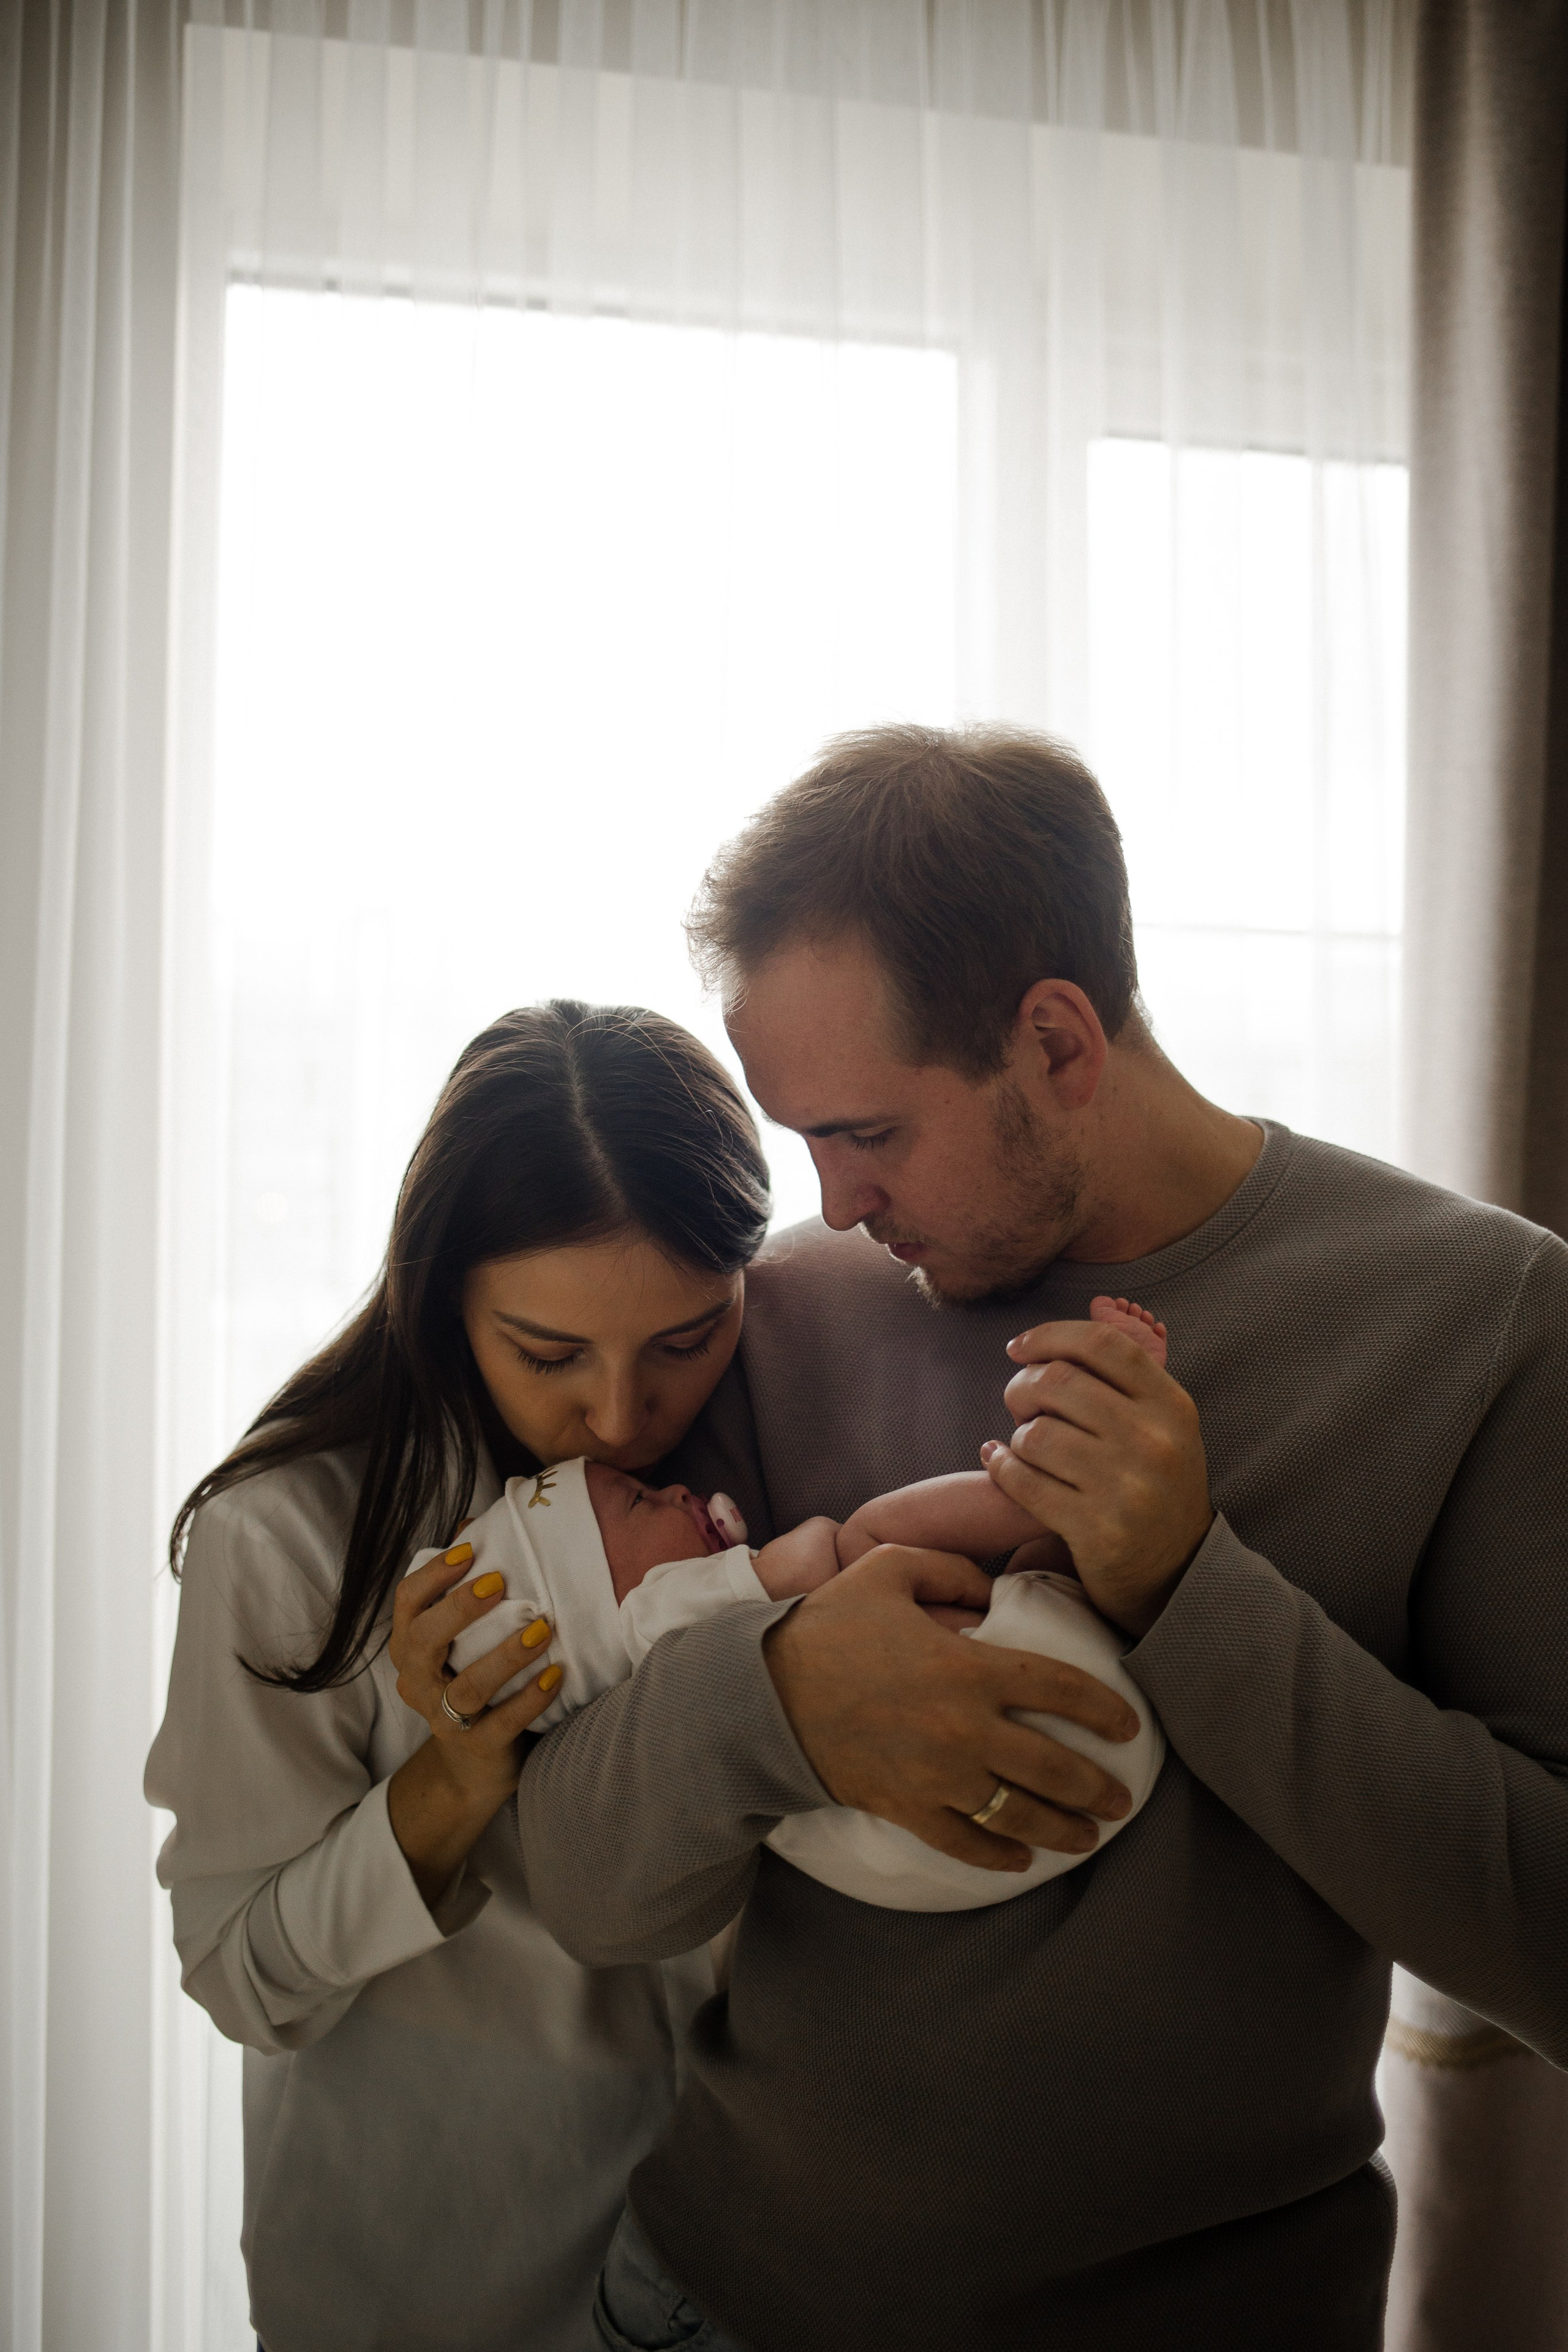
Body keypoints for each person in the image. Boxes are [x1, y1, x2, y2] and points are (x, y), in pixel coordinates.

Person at [516, 725, 1568, 2352]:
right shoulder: (784, 1312)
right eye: (803, 1140)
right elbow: (579, 1876)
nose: (833, 1202)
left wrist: (1189, 1591)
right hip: (717, 2299)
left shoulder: (1478, 1323)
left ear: (1061, 1044)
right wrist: (781, 1697)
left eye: (865, 1132)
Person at [149, 1002, 818, 2352]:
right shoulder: (288, 1541)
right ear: (442, 1292)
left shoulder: (760, 1477)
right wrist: (451, 1783)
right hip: (421, 2258)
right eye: (550, 1353)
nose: (625, 1415)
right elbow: (239, 1981)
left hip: (737, 2251)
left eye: (685, 1339)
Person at [420, 1303, 1167, 1912]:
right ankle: (1049, 1479)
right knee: (867, 1540)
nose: (676, 1488)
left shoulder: (628, 1733)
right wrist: (799, 1553)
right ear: (599, 1602)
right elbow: (810, 1560)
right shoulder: (652, 1618)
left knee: (1028, 1580)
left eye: (684, 1340)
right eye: (640, 1503)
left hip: (967, 1851)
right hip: (1054, 1730)